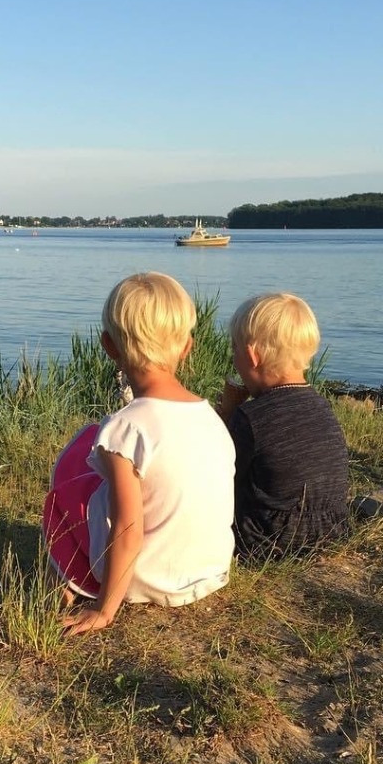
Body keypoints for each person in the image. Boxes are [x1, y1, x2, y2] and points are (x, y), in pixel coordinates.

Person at [44, 272, 235, 636]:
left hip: (148, 579)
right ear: (187, 346)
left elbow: (128, 529)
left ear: (109, 346)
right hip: (208, 571)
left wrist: (104, 609)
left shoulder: (127, 428)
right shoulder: (211, 417)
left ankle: (71, 580)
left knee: (65, 496)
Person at [217, 293, 348, 559]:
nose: (234, 361)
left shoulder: (251, 416)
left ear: (252, 356)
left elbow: (219, 472)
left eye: (235, 351)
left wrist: (227, 413)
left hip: (268, 539)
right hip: (332, 530)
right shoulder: (322, 407)